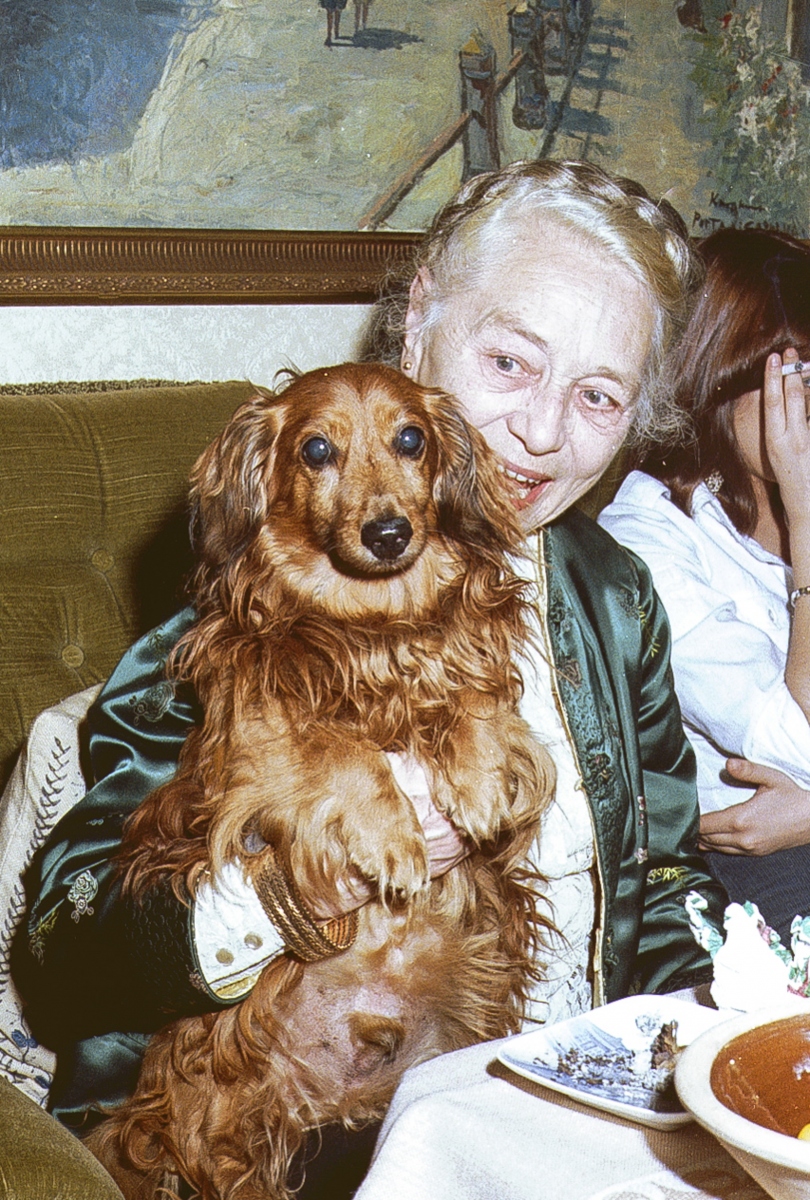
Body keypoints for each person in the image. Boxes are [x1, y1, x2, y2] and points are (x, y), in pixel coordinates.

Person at [14, 160, 726, 1187]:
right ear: (421, 314)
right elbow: (65, 946)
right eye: (510, 362)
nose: (541, 432)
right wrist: (297, 883)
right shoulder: (232, 629)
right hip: (311, 1134)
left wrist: (714, 1039)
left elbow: (664, 876)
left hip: (576, 1107)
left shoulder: (614, 597)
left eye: (598, 395)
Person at [598, 226, 810, 945]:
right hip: (748, 864)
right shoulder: (646, 541)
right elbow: (793, 749)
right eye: (796, 380)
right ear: (718, 378)